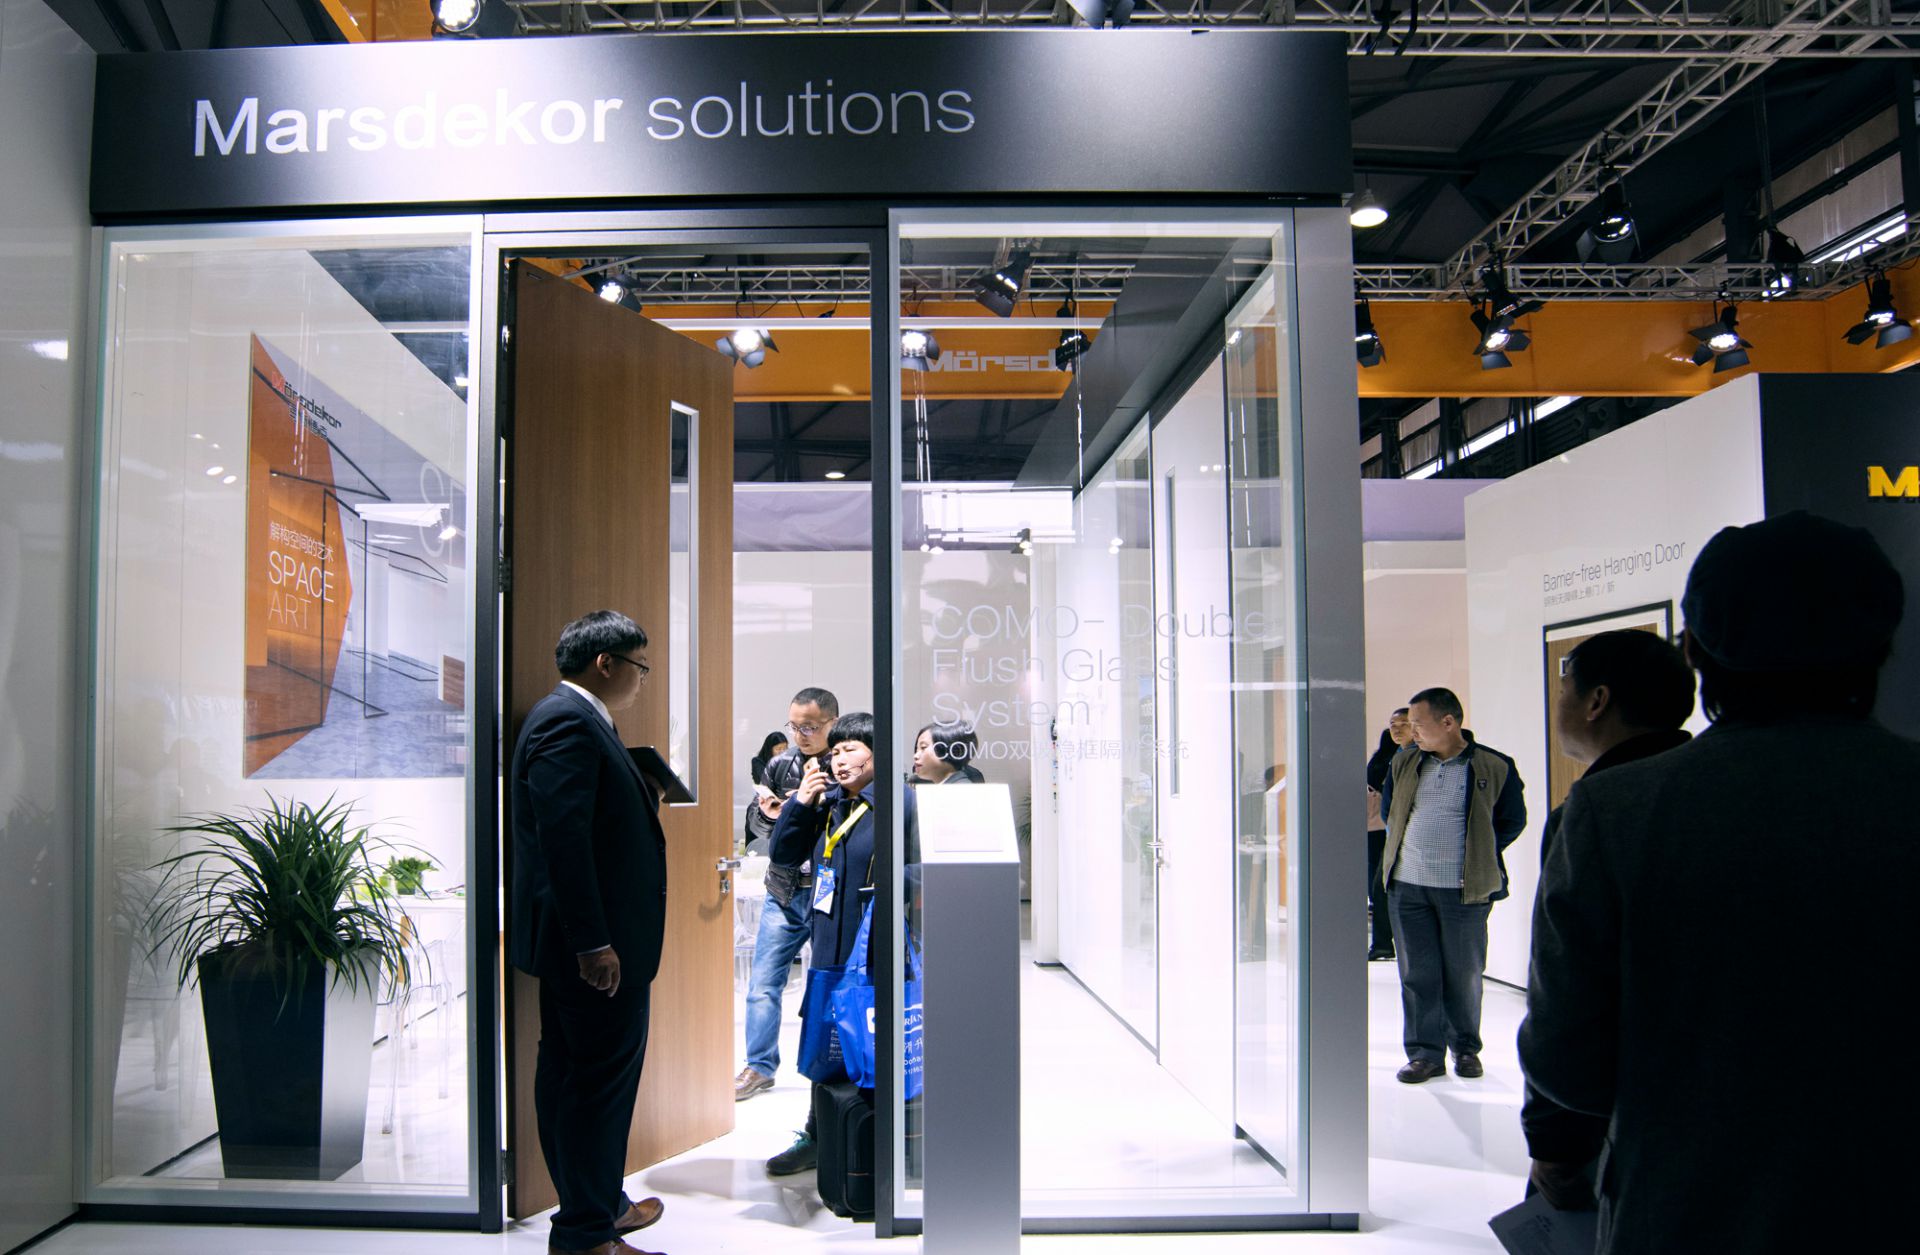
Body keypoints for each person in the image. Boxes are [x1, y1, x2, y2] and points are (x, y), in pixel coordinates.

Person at [1519, 513, 1916, 1253]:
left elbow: (1569, 1057)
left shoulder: (1616, 810)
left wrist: (1562, 1151)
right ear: (1881, 645)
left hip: (1689, 1204)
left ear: (1697, 651)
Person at [508, 610, 668, 1255]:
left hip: (586, 942)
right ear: (606, 663)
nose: (641, 680)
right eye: (640, 667)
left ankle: (600, 1206)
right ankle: (585, 1234)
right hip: (595, 949)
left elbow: (588, 823)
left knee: (575, 1077)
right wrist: (591, 942)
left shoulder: (575, 719)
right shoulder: (567, 721)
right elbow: (563, 841)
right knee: (596, 1087)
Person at [1520, 630, 1694, 1211]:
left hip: (1621, 1113)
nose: (1558, 707)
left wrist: (1555, 1134)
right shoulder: (1726, 788)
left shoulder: (1595, 810)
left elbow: (1568, 988)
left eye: (1563, 690)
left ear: (1596, 701)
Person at [763, 711, 917, 1177]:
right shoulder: (827, 803)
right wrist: (800, 804)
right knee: (824, 1046)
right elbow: (783, 854)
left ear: (877, 752)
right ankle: (818, 1135)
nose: (839, 759)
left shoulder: (899, 801)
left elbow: (919, 867)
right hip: (828, 948)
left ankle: (878, 1145)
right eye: (835, 752)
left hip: (875, 951)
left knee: (873, 1046)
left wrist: (890, 892)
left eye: (850, 748)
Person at [1378, 687, 1526, 1084]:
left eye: (1418, 724)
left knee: (1464, 973)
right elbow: (1390, 811)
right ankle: (1424, 1054)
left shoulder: (1494, 765)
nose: (1412, 732)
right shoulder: (1404, 762)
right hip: (1408, 886)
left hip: (1465, 890)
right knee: (1417, 974)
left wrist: (1479, 851)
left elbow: (1512, 820)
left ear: (1448, 722)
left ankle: (1465, 1048)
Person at [735, 687, 839, 1102]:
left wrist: (813, 802)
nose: (800, 735)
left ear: (832, 722)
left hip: (829, 890)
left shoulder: (846, 762)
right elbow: (758, 825)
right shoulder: (780, 764)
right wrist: (770, 814)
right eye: (794, 726)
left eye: (810, 727)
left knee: (831, 981)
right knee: (763, 983)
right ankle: (759, 1066)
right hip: (783, 889)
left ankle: (834, 1064)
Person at [1364, 708, 1411, 961]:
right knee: (1379, 884)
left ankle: (1388, 942)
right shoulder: (1389, 757)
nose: (1397, 728)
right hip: (1384, 828)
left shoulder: (1421, 758)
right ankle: (1382, 942)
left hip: (1405, 832)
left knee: (1387, 886)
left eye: (1404, 723)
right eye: (1393, 724)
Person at [741, 730, 789, 852]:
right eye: (778, 749)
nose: (783, 752)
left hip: (782, 803)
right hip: (761, 803)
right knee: (756, 837)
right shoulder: (757, 761)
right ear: (769, 749)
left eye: (785, 748)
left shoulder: (789, 762)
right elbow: (764, 780)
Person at [910, 720, 983, 784]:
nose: (916, 756)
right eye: (917, 749)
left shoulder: (960, 790)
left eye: (923, 747)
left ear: (952, 751)